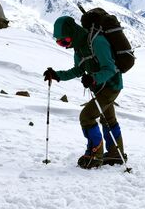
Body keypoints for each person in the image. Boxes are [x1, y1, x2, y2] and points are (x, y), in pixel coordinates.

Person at [43, 16, 125, 169]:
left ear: (73, 33)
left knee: (87, 117)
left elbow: (110, 69)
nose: (65, 45)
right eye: (60, 43)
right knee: (108, 119)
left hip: (111, 86)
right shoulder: (79, 47)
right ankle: (115, 153)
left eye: (65, 41)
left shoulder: (97, 43)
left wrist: (93, 78)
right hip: (100, 87)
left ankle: (95, 156)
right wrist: (57, 75)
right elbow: (78, 69)